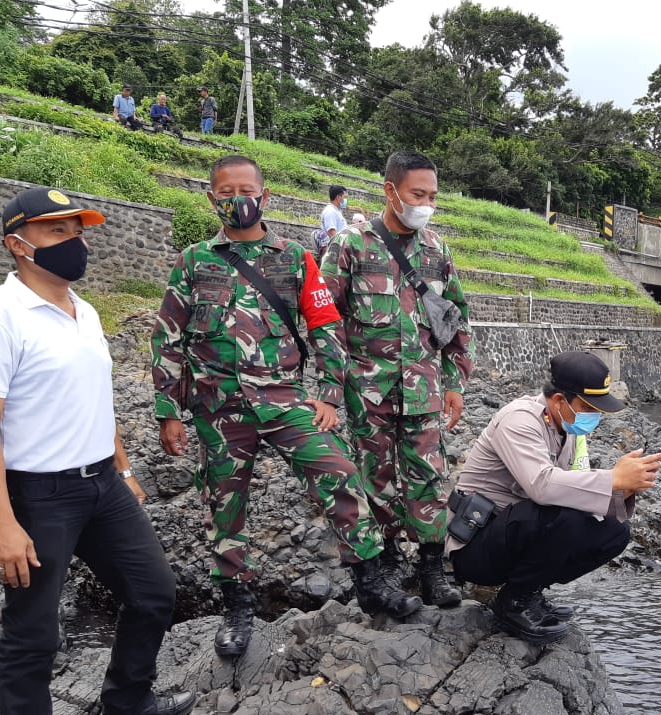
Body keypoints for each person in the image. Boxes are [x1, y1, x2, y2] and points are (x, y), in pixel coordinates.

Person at [0, 187, 194, 715]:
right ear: (18, 244)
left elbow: (96, 396)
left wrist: (122, 465)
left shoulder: (83, 312)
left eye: (77, 230)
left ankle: (126, 698)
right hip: (39, 496)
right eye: (57, 232)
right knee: (34, 631)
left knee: (153, 593)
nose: (74, 242)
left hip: (103, 486)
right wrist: (1, 521)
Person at [152, 156, 413, 659]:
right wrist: (168, 411)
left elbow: (325, 328)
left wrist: (330, 395)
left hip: (285, 401)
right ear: (212, 199)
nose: (237, 199)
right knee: (224, 508)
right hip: (218, 409)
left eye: (246, 189)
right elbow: (168, 338)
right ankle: (237, 605)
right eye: (225, 191)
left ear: (264, 195)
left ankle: (370, 580)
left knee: (340, 472)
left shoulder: (295, 258)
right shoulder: (192, 262)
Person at [321, 150, 473, 610]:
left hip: (424, 389)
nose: (426, 204)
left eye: (432, 196)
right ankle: (386, 566)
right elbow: (326, 322)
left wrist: (454, 383)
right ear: (391, 190)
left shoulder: (436, 251)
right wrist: (331, 389)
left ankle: (431, 567)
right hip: (368, 391)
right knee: (375, 479)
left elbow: (458, 320)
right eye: (417, 194)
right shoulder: (351, 245)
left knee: (429, 475)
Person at [446, 351, 661, 643]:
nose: (595, 417)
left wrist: (623, 491)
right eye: (588, 407)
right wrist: (612, 477)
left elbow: (570, 489)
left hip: (512, 538)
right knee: (565, 516)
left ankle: (529, 590)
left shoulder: (567, 430)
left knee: (615, 533)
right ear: (560, 400)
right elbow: (543, 487)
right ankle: (514, 602)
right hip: (474, 544)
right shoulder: (519, 420)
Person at [314, 185, 347, 263]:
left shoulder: (337, 211)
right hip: (334, 250)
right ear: (338, 197)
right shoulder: (330, 211)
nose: (345, 200)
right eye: (344, 197)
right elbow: (332, 233)